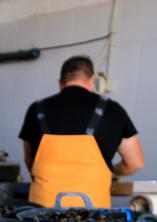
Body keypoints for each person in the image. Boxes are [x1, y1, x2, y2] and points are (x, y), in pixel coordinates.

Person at [19, 55, 144, 208]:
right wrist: (112, 172)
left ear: (60, 83)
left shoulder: (36, 110)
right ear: (91, 81)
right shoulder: (113, 110)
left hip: (41, 210)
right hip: (94, 215)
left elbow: (29, 160)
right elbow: (135, 163)